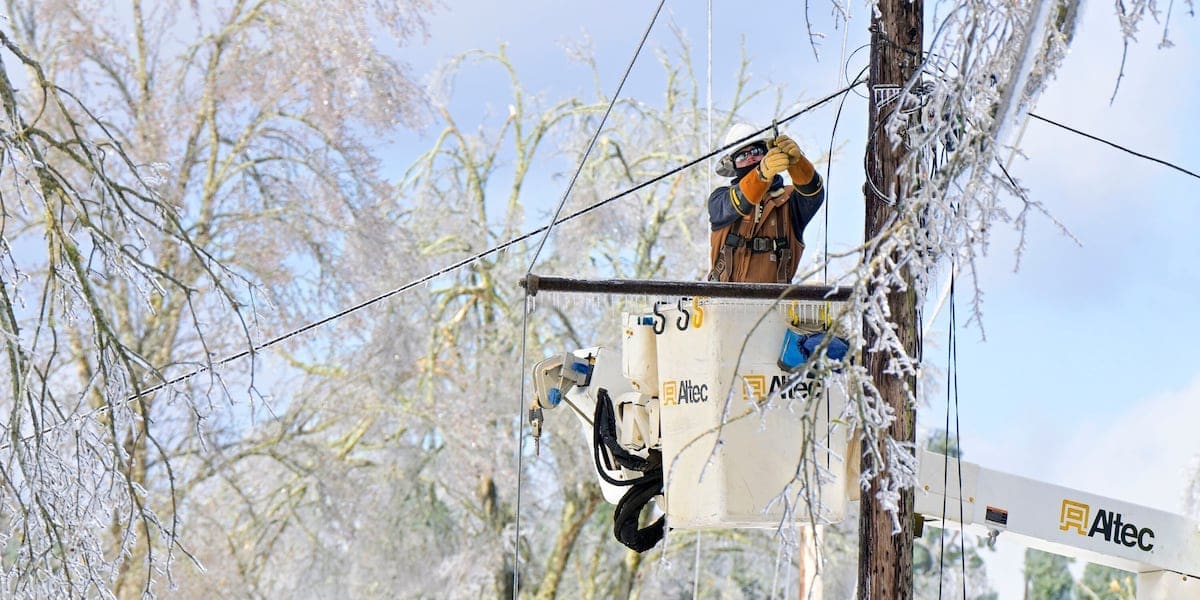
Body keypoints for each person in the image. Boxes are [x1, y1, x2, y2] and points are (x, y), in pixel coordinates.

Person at [707, 123, 825, 283]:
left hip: (775, 297)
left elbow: (813, 194)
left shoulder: (789, 200)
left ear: (766, 153)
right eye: (741, 156)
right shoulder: (720, 198)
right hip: (726, 297)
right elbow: (737, 201)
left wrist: (798, 164)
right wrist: (760, 175)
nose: (750, 157)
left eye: (755, 151)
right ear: (733, 164)